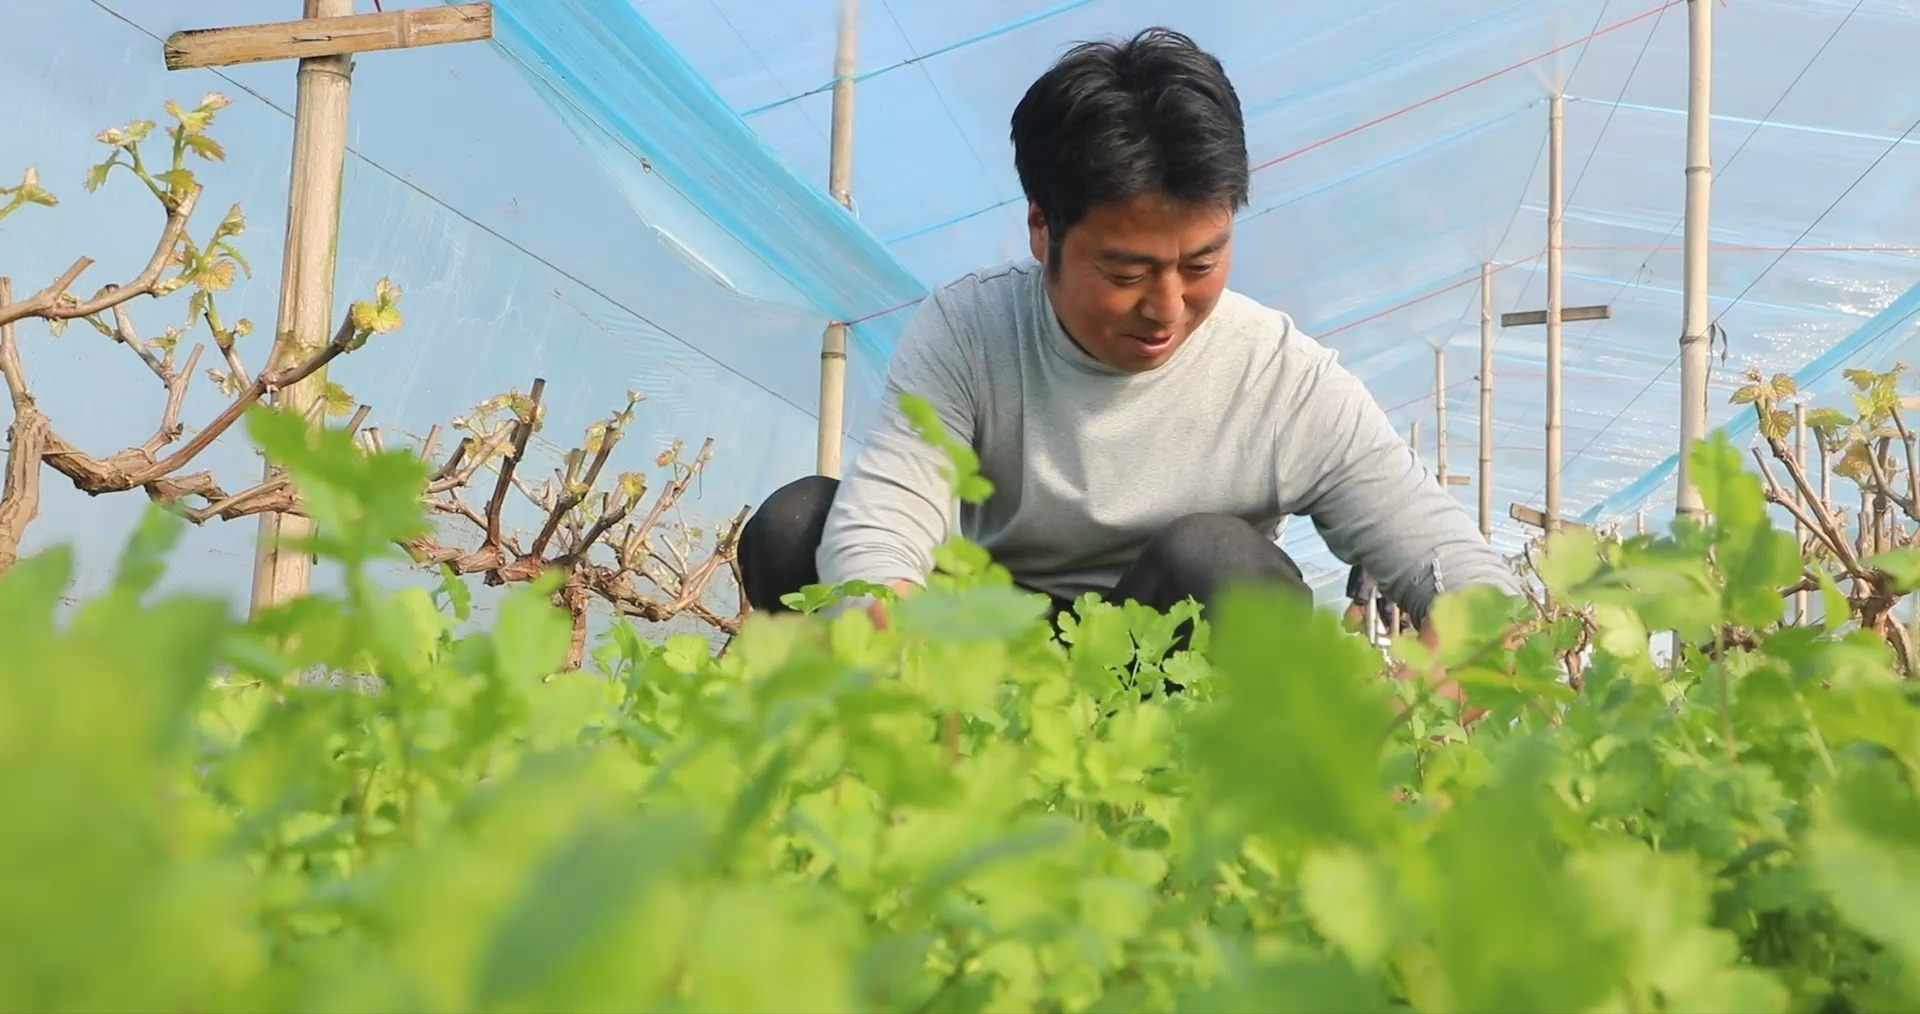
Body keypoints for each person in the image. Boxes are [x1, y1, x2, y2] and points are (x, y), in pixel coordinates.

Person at [738, 27, 1520, 637]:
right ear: (1042, 228)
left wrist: (1473, 641)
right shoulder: (971, 332)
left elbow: (1450, 559)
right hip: (983, 657)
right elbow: (885, 522)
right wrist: (889, 624)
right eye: (1126, 271)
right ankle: (871, 768)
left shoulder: (1282, 380)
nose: (1168, 307)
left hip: (1164, 678)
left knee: (1215, 559)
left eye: (1202, 263)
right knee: (798, 526)